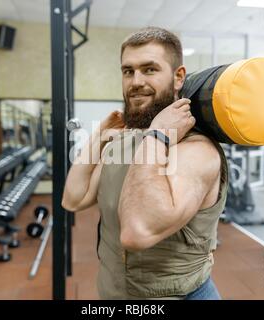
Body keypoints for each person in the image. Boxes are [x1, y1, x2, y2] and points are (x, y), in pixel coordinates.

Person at [62, 27, 228, 300]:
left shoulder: (197, 151)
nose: (135, 81)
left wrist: (158, 135)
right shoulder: (125, 141)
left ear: (178, 77)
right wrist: (99, 139)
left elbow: (137, 232)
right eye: (128, 71)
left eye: (149, 69)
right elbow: (73, 199)